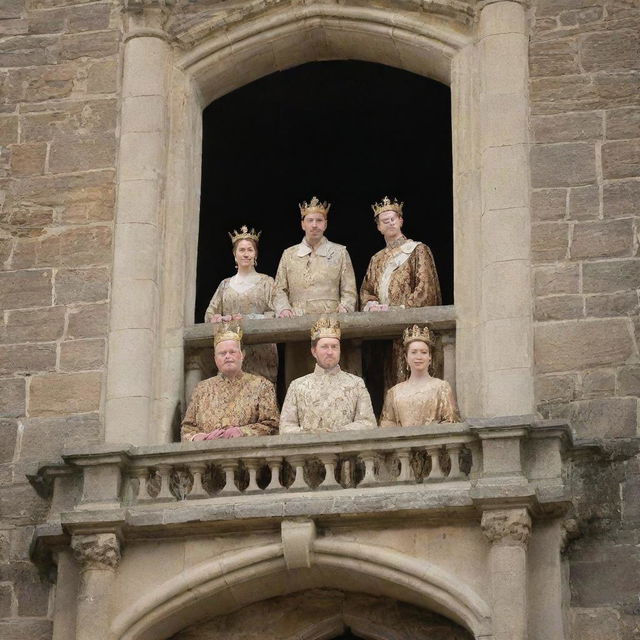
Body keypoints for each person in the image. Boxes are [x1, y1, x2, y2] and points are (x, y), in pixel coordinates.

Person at [360, 196, 443, 394]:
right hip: (384, 333)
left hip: (411, 331)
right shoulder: (376, 259)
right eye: (384, 220)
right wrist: (371, 305)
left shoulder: (418, 250)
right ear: (378, 227)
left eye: (393, 219)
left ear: (400, 221)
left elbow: (426, 289)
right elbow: (366, 290)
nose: (389, 223)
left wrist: (398, 309)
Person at [204, 226, 277, 383]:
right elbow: (209, 314)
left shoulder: (267, 282)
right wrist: (218, 318)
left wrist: (247, 318)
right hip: (230, 349)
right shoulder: (224, 284)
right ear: (234, 254)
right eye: (241, 250)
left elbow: (276, 313)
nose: (246, 254)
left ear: (255, 254)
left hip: (261, 350)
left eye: (250, 250)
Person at [181, 324, 279, 441]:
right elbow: (187, 428)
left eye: (232, 352)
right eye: (222, 353)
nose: (227, 356)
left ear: (242, 355)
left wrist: (242, 432)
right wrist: (200, 437)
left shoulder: (262, 385)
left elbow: (273, 425)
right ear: (215, 359)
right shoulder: (201, 388)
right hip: (208, 455)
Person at [280, 317, 376, 433]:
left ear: (340, 350)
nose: (330, 352)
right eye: (324, 347)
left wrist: (339, 431)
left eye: (334, 347)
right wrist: (310, 434)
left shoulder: (356, 384)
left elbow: (368, 423)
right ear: (314, 351)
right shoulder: (297, 386)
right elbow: (285, 427)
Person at [273, 197, 357, 317]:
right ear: (303, 224)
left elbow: (349, 290)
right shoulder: (289, 254)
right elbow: (279, 289)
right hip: (296, 318)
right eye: (310, 220)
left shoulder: (340, 252)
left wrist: (345, 308)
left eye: (319, 220)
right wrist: (283, 309)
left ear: (325, 224)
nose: (314, 225)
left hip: (331, 318)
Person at [380, 325, 460, 427]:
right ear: (406, 357)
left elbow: (451, 422)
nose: (419, 357)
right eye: (413, 352)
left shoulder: (441, 387)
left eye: (423, 352)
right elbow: (387, 424)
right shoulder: (394, 393)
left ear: (430, 357)